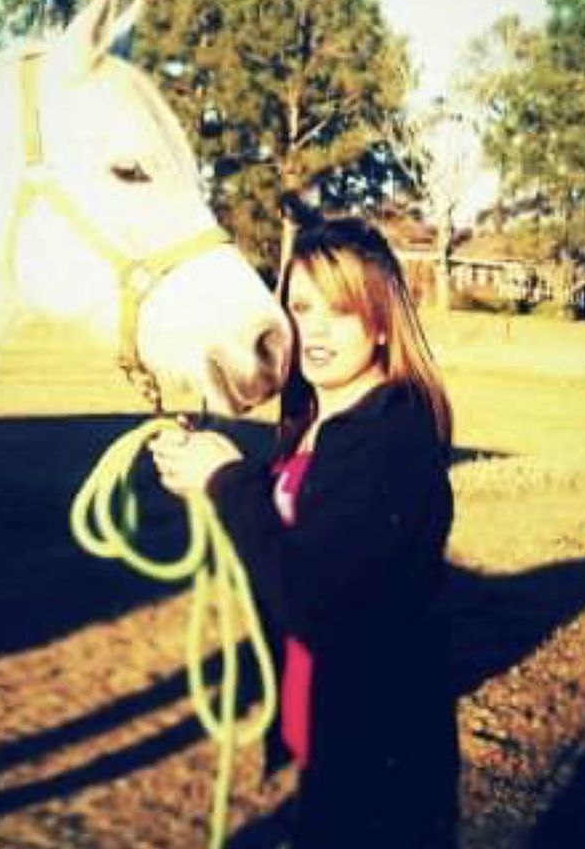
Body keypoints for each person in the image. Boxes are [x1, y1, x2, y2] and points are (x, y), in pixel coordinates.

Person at [151, 213, 459, 848]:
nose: (313, 328)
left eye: (339, 310)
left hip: (379, 759)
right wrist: (205, 479)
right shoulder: (317, 425)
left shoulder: (390, 437)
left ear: (379, 324)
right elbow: (286, 546)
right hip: (326, 742)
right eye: (299, 306)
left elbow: (318, 603)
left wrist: (229, 484)